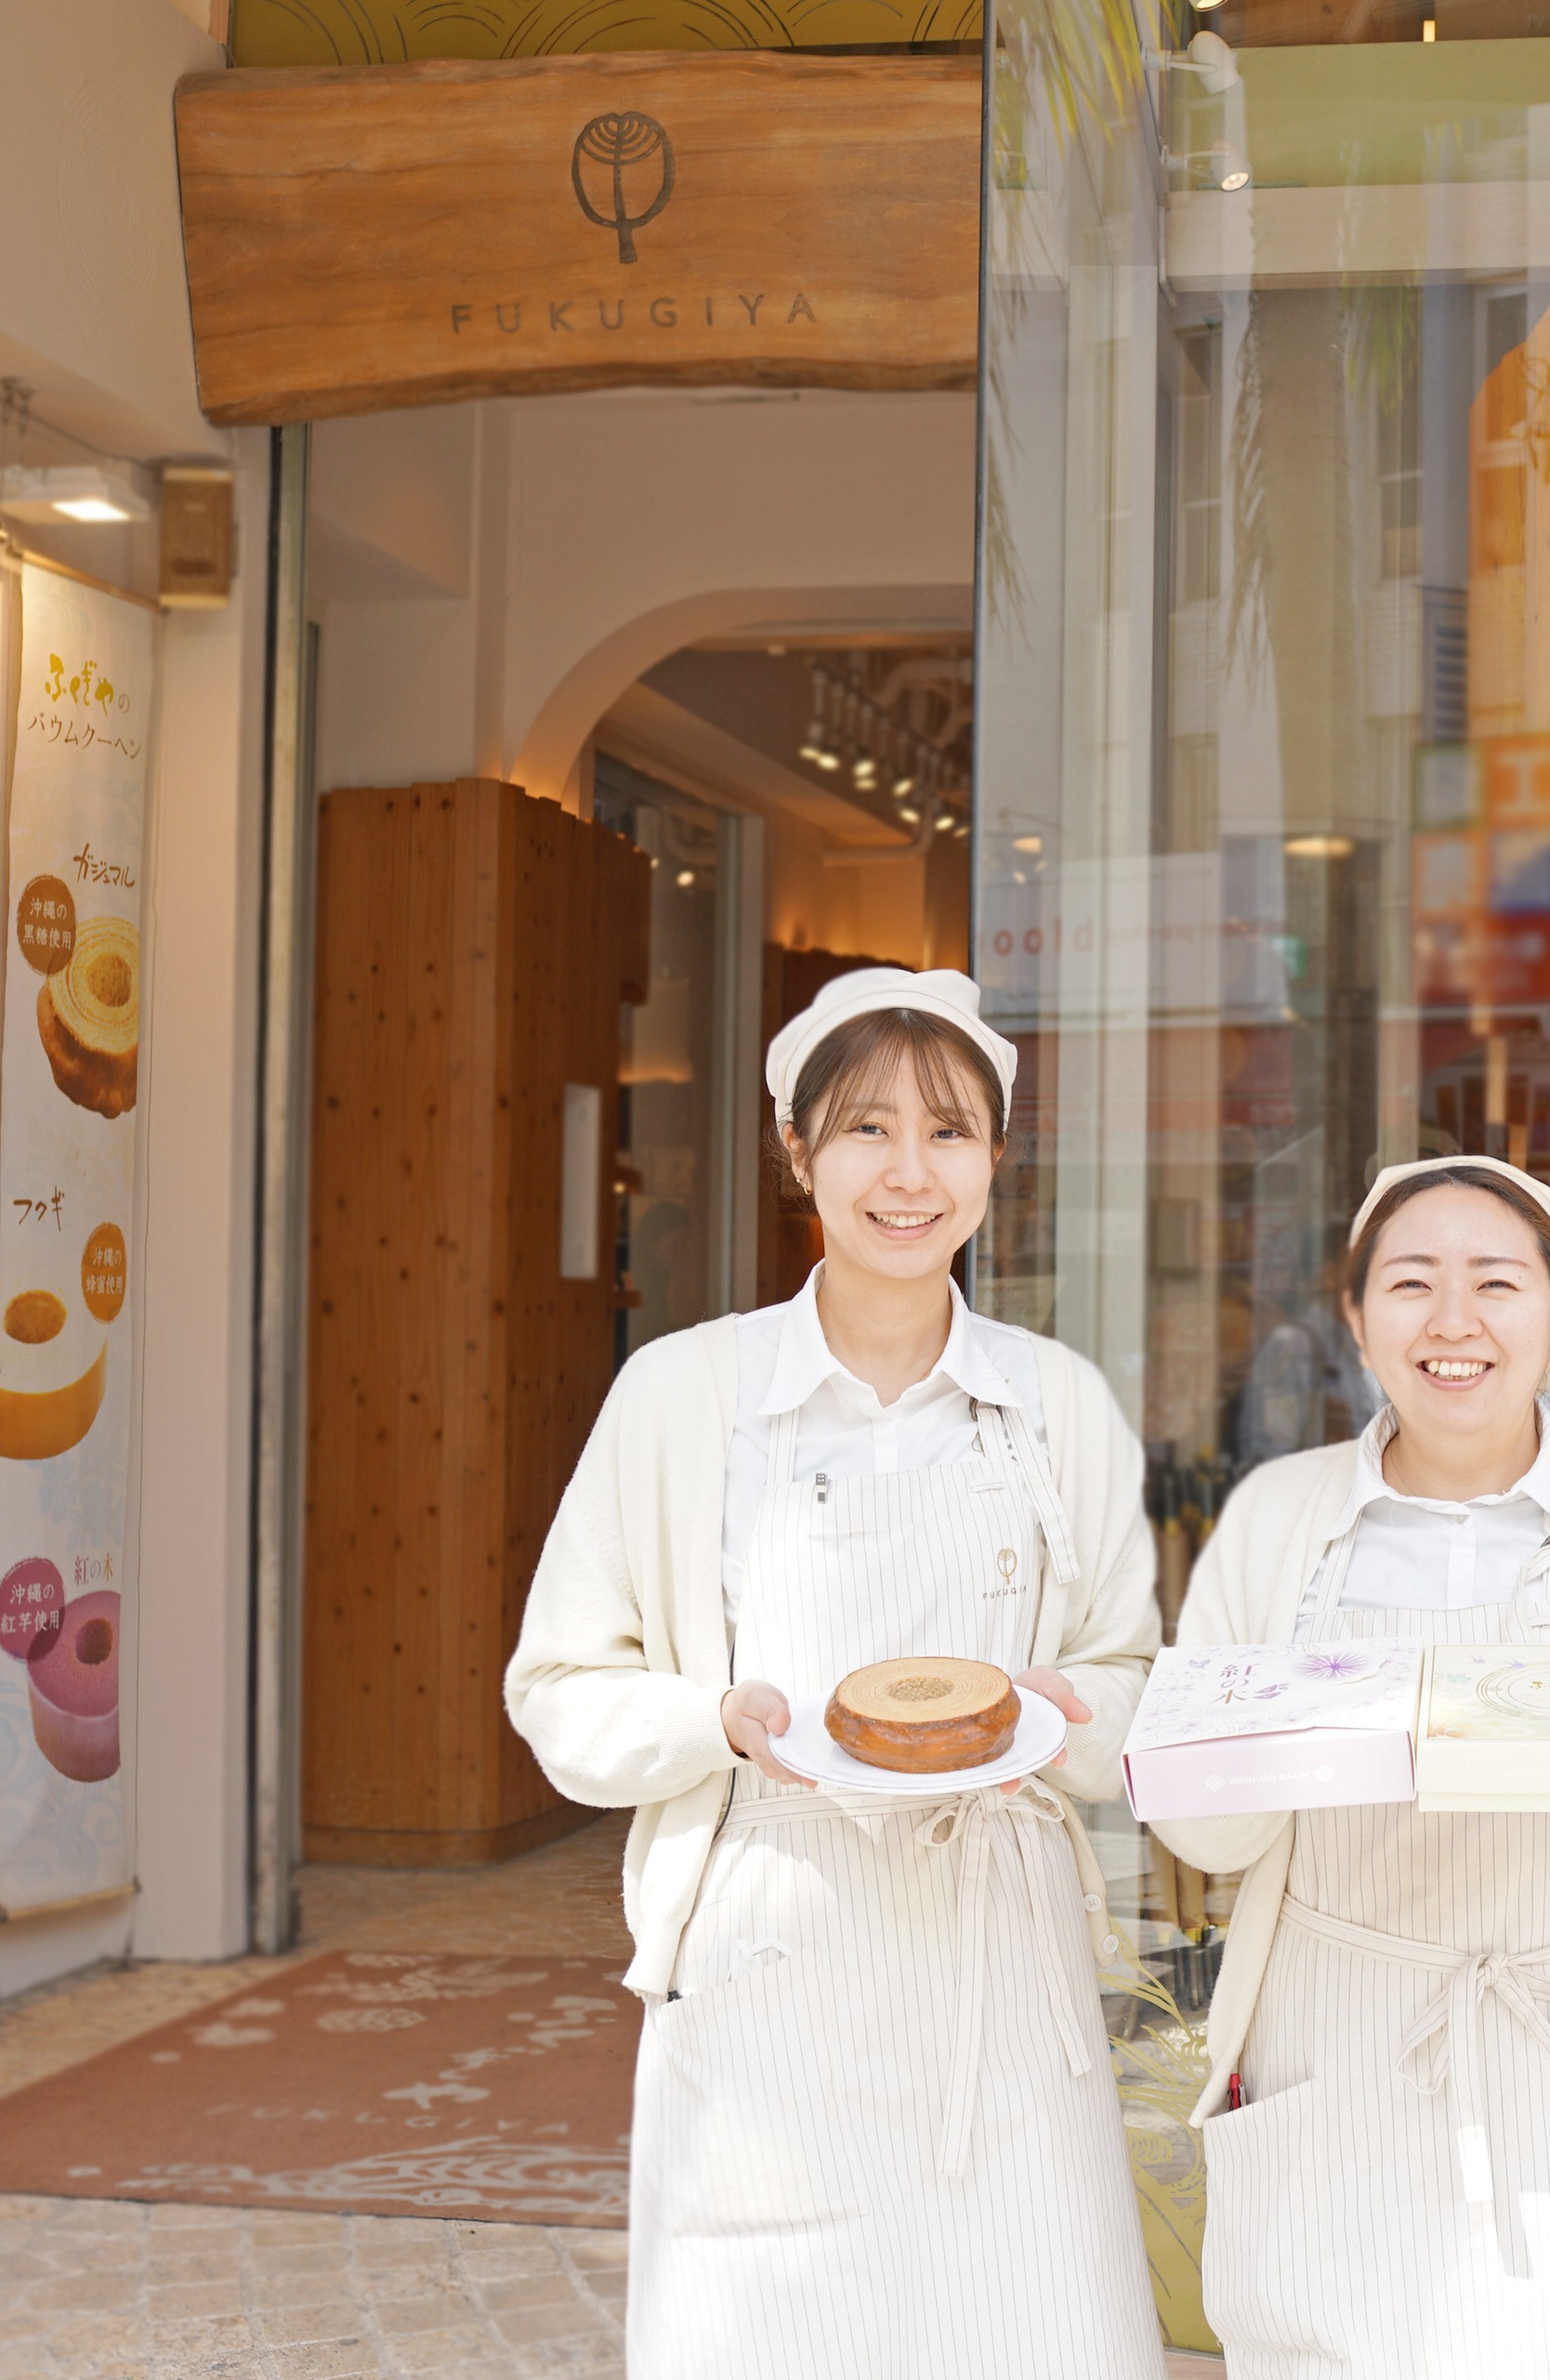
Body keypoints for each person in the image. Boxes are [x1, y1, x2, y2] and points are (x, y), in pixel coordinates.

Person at [504, 967, 1163, 2380]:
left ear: (996, 1160)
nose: (909, 1174)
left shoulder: (1056, 1403)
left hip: (1004, 1937)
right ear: (797, 1152)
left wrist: (1058, 1720)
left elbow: (1132, 1678)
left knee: (1022, 2325)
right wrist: (715, 1723)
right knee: (776, 2328)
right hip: (772, 1937)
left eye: (951, 1133)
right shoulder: (685, 1394)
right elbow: (559, 1685)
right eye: (866, 1129)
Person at [1154, 1157, 1550, 2378]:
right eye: (1410, 1284)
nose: (1452, 1323)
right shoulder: (1277, 1520)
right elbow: (1207, 1830)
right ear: (1356, 1318)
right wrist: (1263, 1752)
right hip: (1332, 2039)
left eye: (1496, 1284)